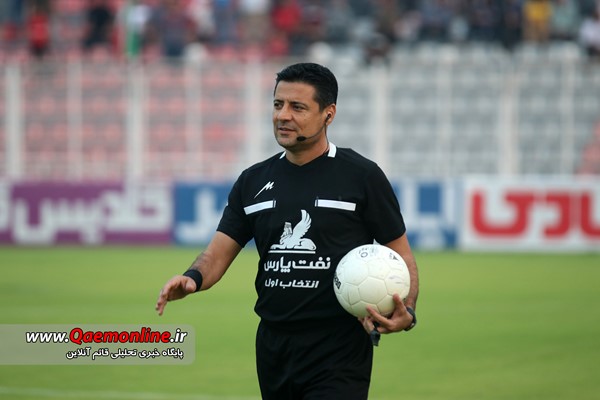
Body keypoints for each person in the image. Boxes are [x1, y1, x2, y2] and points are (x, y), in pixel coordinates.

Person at [155, 62, 420, 399]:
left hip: (338, 348)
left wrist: (408, 311)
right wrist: (192, 278)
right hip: (273, 346)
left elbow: (401, 255)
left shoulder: (362, 176)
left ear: (328, 114)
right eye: (278, 104)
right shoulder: (252, 182)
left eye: (298, 107)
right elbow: (216, 255)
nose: (283, 115)